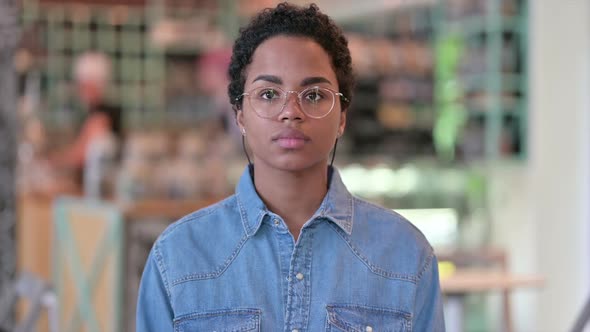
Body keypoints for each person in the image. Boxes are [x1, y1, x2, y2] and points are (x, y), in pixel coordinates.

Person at [136, 3, 445, 331]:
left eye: (313, 95)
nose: (291, 111)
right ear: (240, 114)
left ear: (342, 116)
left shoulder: (404, 254)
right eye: (269, 94)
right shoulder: (179, 256)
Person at [49, 52, 122, 187]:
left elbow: (81, 155)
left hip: (100, 190)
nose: (79, 89)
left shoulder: (102, 115)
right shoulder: (93, 112)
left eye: (83, 84)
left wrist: (51, 162)